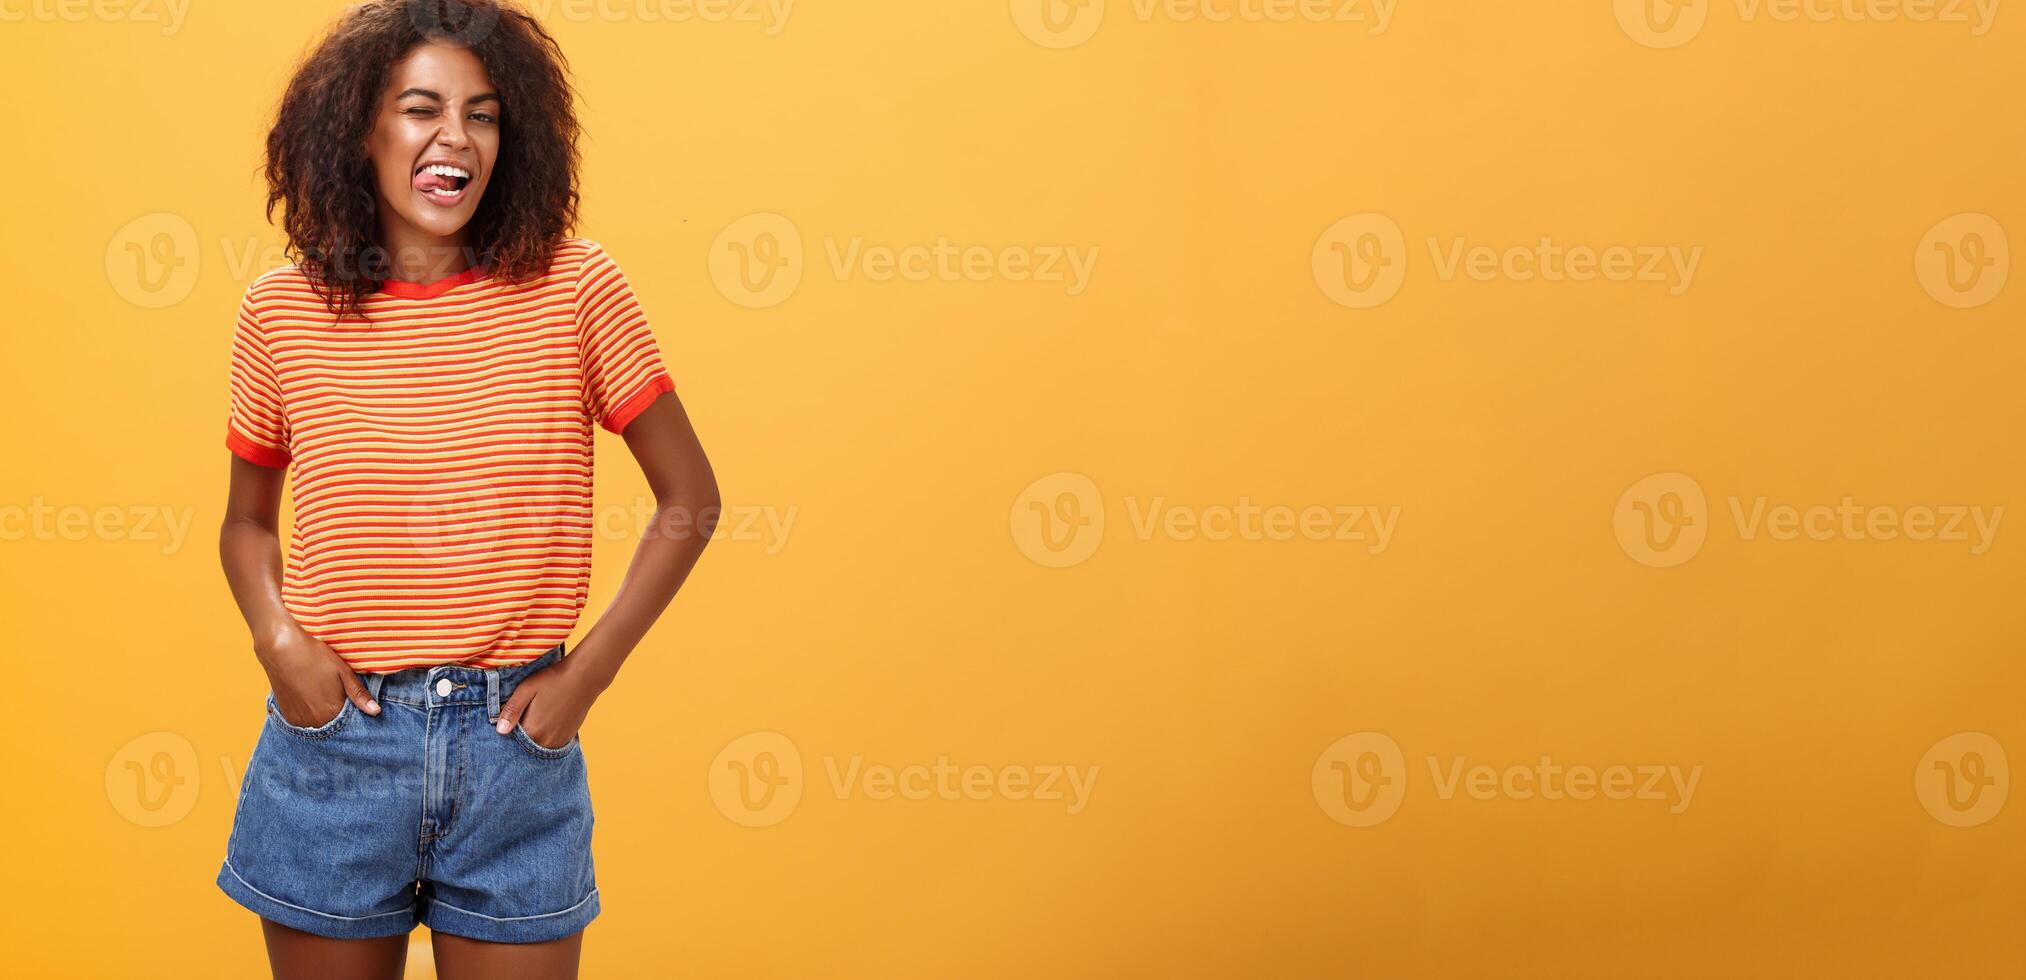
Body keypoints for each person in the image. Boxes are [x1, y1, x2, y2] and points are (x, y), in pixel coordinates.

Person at [213, 2, 718, 976]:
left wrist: (590, 672)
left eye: (482, 114)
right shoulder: (279, 312)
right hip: (335, 750)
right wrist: (278, 641)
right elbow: (243, 525)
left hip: (512, 756)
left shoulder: (576, 287)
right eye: (420, 109)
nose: (456, 139)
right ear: (359, 127)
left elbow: (690, 497)